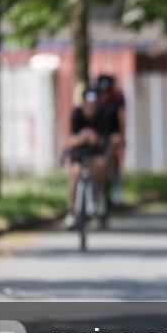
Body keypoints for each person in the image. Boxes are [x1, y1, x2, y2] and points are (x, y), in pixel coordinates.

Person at [64, 86, 111, 228]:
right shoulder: (76, 114)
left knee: (100, 165)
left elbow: (105, 140)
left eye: (94, 105)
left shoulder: (103, 115)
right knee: (75, 173)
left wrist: (95, 139)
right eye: (89, 105)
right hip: (79, 151)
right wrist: (82, 138)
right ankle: (71, 211)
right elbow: (71, 139)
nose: (92, 108)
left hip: (95, 152)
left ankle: (100, 199)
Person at [96, 74, 126, 204]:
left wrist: (120, 135)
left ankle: (117, 187)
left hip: (113, 132)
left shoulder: (117, 98)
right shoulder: (95, 98)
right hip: (98, 133)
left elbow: (121, 118)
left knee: (114, 158)